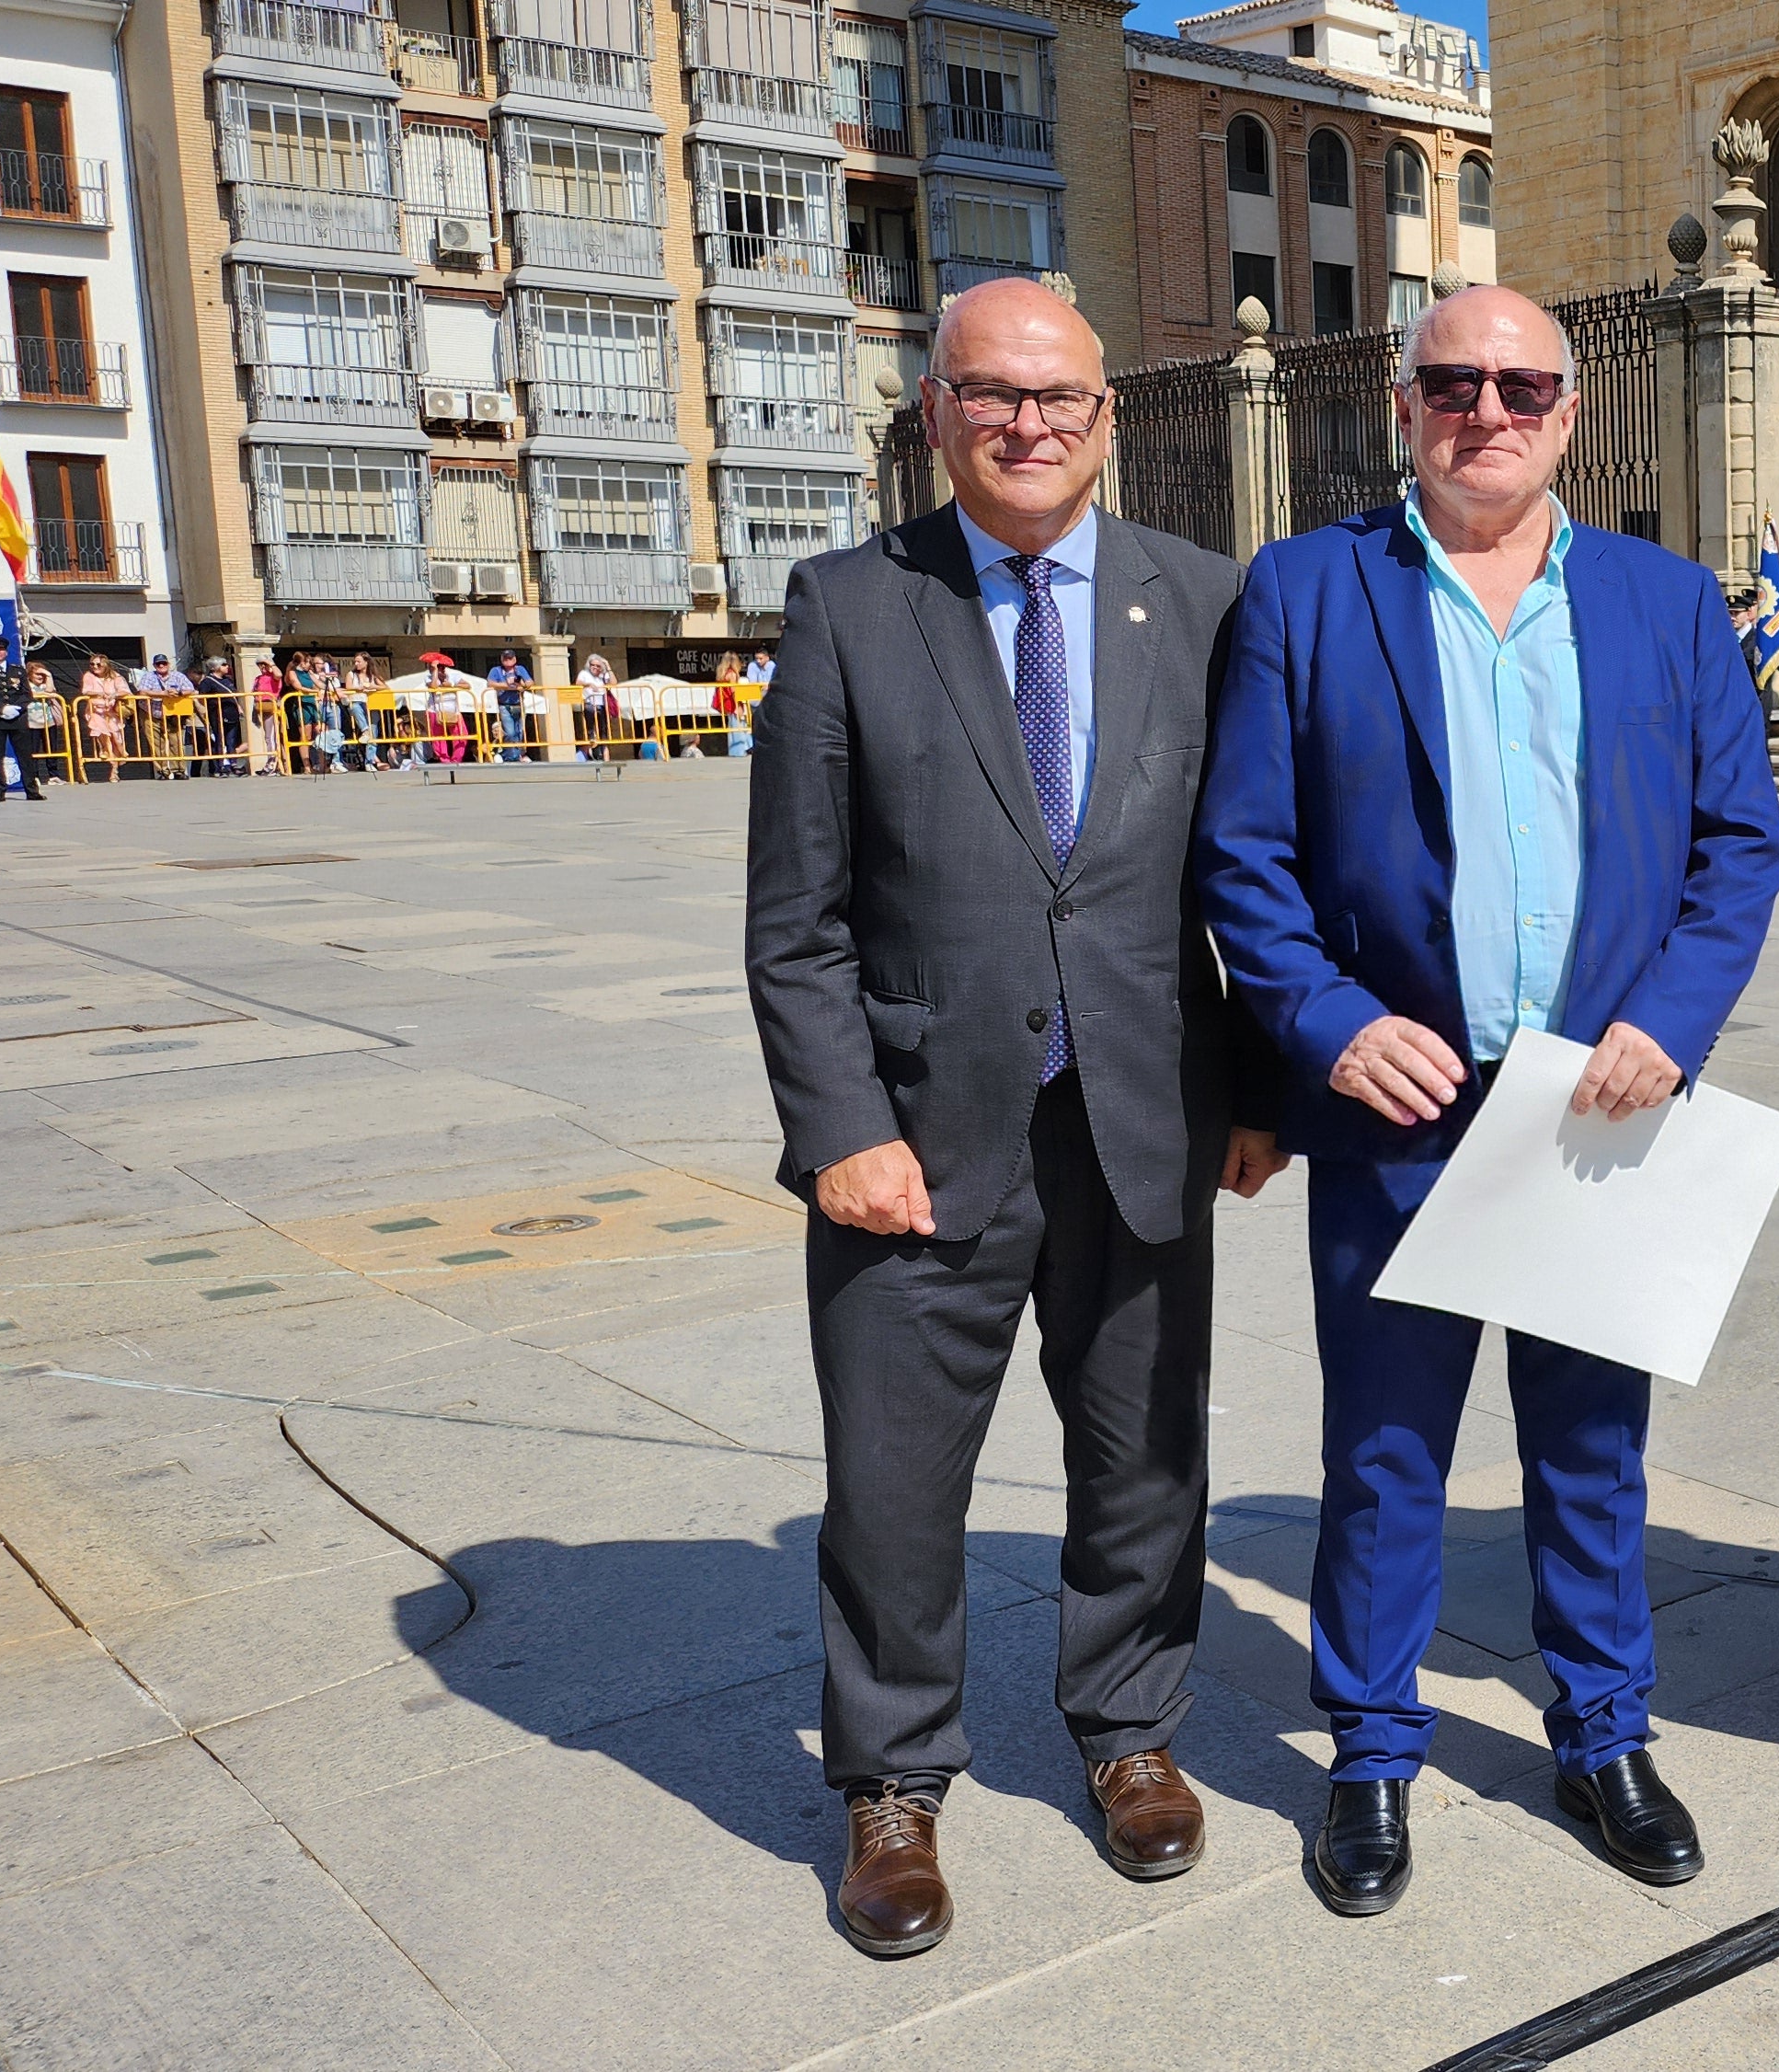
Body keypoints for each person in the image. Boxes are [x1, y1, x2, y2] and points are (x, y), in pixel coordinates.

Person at [1198, 284, 1779, 1916]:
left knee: (1593, 1450)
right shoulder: (1311, 592)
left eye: (1523, 383)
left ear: (1571, 413)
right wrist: (1322, 1023)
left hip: (1597, 1107)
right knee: (1386, 1452)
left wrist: (1670, 1022)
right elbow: (1244, 856)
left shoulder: (1668, 606)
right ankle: (1372, 1756)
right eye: (1453, 380)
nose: (1488, 408)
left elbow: (1741, 844)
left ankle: (1603, 1730)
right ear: (1404, 406)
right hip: (1404, 1102)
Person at [743, 277, 1282, 1961]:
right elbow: (796, 916)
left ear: (1109, 416)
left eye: (1058, 397)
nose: (1028, 424)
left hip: (1144, 1113)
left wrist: (1260, 1086)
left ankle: (1129, 1730)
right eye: (992, 395)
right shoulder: (850, 604)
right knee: (896, 1480)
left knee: (1143, 1458)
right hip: (918, 1135)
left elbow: (1249, 876)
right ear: (936, 415)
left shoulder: (1199, 601)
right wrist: (842, 1126)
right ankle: (890, 1780)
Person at [0, 635, 44, 801]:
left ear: (6, 652)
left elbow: (27, 694)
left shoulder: (18, 670)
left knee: (25, 756)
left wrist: (18, 708)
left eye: (1, 649)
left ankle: (32, 791)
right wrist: (1, 708)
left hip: (18, 719)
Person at [79, 660, 126, 780]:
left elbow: (125, 690)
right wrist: (100, 693)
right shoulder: (88, 676)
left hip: (112, 712)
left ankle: (115, 768)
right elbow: (86, 690)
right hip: (96, 711)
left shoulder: (116, 676)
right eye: (92, 664)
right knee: (104, 736)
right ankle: (112, 768)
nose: (95, 666)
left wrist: (114, 694)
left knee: (117, 740)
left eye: (98, 664)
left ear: (106, 665)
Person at [488, 649, 532, 762]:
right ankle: (509, 755)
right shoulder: (496, 670)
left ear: (515, 659)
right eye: (505, 658)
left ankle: (517, 755)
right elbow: (490, 683)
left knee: (520, 732)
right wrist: (506, 685)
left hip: (519, 704)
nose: (508, 661)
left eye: (510, 658)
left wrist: (522, 684)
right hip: (504, 705)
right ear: (502, 660)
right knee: (510, 732)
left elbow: (530, 682)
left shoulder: (520, 669)